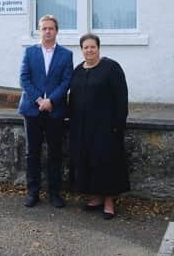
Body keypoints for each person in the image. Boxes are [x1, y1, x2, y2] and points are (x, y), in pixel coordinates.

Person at [69, 33, 129, 219]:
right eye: (85, 47)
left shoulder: (111, 68)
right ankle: (95, 197)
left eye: (92, 47)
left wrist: (119, 123)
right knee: (88, 161)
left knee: (106, 162)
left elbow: (121, 98)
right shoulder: (78, 70)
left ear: (98, 48)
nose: (89, 50)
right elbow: (73, 98)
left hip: (106, 127)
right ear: (81, 50)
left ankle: (109, 201)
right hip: (83, 127)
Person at [18, 14, 73, 208]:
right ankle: (32, 192)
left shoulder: (66, 55)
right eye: (44, 28)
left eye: (51, 28)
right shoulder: (30, 52)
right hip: (32, 110)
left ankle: (54, 194)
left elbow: (66, 81)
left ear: (56, 31)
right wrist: (40, 100)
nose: (47, 31)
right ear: (39, 31)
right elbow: (24, 79)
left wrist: (51, 100)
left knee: (55, 153)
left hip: (55, 111)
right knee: (32, 153)